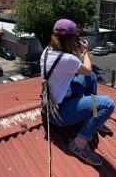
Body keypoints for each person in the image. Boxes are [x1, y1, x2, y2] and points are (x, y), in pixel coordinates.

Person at [40, 18, 115, 166]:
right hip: (60, 114)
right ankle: (79, 143)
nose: (77, 41)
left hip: (50, 107)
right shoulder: (68, 59)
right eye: (76, 38)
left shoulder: (47, 51)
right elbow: (86, 69)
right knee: (107, 104)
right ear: (70, 39)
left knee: (91, 78)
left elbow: (75, 68)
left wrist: (77, 51)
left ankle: (95, 117)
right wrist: (86, 51)